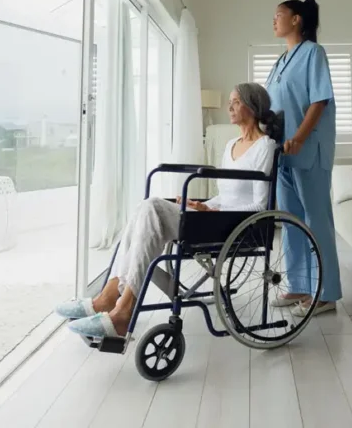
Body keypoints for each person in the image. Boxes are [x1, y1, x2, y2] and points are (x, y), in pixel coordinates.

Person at [56, 82, 283, 339]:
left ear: (253, 107)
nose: (229, 106)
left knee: (151, 206)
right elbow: (226, 195)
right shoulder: (231, 145)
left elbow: (260, 205)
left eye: (236, 102)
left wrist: (214, 213)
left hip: (237, 224)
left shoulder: (265, 147)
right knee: (145, 209)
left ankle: (118, 308)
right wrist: (206, 205)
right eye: (230, 101)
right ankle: (110, 299)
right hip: (216, 216)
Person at [266, 0, 342, 317]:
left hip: (308, 149)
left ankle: (325, 294)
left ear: (296, 19)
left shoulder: (313, 52)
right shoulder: (279, 61)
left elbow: (319, 100)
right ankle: (299, 284)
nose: (274, 20)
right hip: (282, 154)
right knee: (291, 221)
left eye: (279, 15)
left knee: (316, 221)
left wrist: (298, 136)